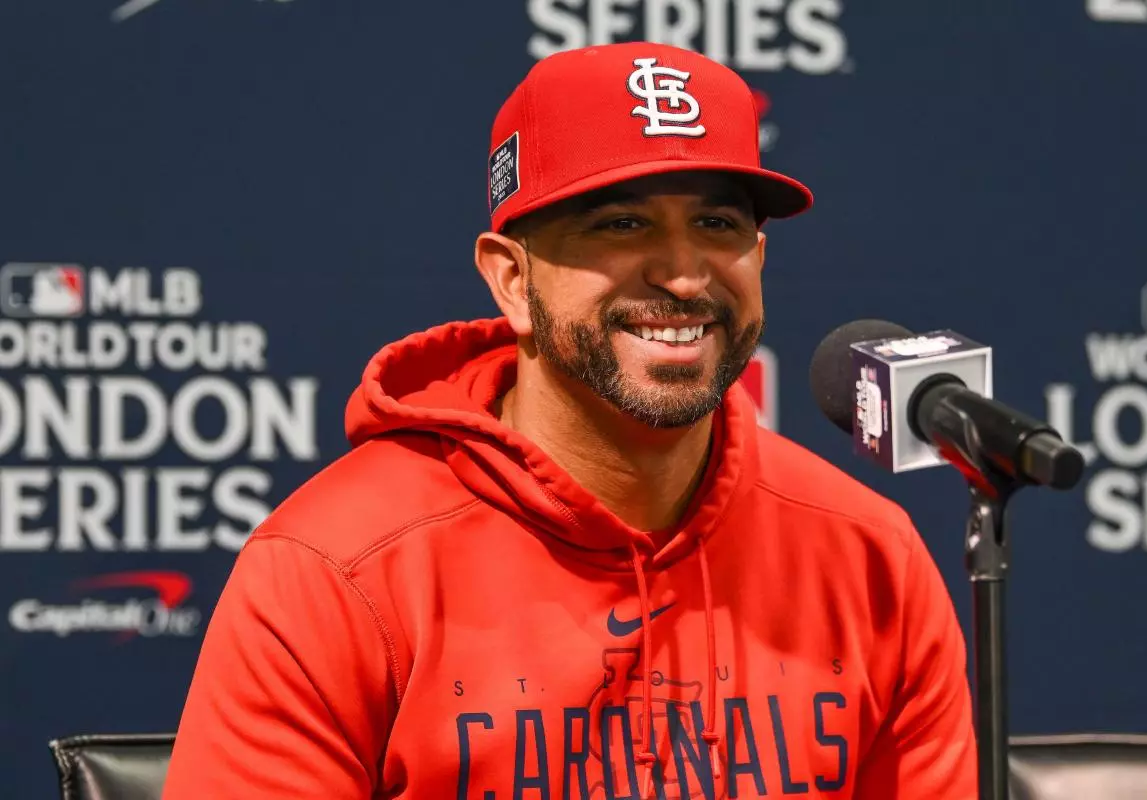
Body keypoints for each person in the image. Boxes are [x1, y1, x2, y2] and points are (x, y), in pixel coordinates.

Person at [162, 41, 978, 799]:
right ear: (512, 280)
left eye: (717, 224)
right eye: (621, 224)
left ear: (759, 261)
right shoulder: (334, 570)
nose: (684, 274)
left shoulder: (872, 558)